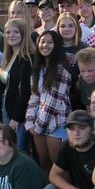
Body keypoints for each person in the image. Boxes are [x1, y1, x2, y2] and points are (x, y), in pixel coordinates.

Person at [26, 29, 75, 171]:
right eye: (42, 42)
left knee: (58, 166)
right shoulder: (38, 70)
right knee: (44, 163)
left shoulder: (61, 71)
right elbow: (34, 97)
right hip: (37, 125)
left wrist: (38, 127)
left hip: (56, 124)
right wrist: (30, 123)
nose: (45, 45)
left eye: (49, 42)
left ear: (56, 45)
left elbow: (53, 103)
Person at [0, 18, 35, 149]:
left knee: (17, 150)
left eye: (16, 32)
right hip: (5, 109)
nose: (11, 35)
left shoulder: (27, 58)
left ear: (24, 34)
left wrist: (16, 118)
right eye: (8, 32)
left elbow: (26, 92)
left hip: (18, 114)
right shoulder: (8, 56)